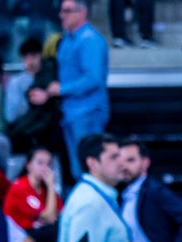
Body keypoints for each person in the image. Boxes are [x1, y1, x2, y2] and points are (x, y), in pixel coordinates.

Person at [53, 0, 111, 183]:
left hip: (88, 111)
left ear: (82, 13)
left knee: (90, 165)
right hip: (71, 111)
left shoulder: (90, 40)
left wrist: (62, 89)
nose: (62, 15)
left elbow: (94, 78)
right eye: (61, 11)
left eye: (67, 11)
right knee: (77, 167)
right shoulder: (67, 39)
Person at [5, 147, 62, 242]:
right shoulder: (19, 187)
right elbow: (50, 217)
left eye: (48, 164)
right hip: (18, 236)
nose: (45, 168)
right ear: (29, 165)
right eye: (40, 163)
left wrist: (49, 189)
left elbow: (58, 216)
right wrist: (51, 185)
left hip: (40, 238)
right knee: (53, 229)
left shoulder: (45, 191)